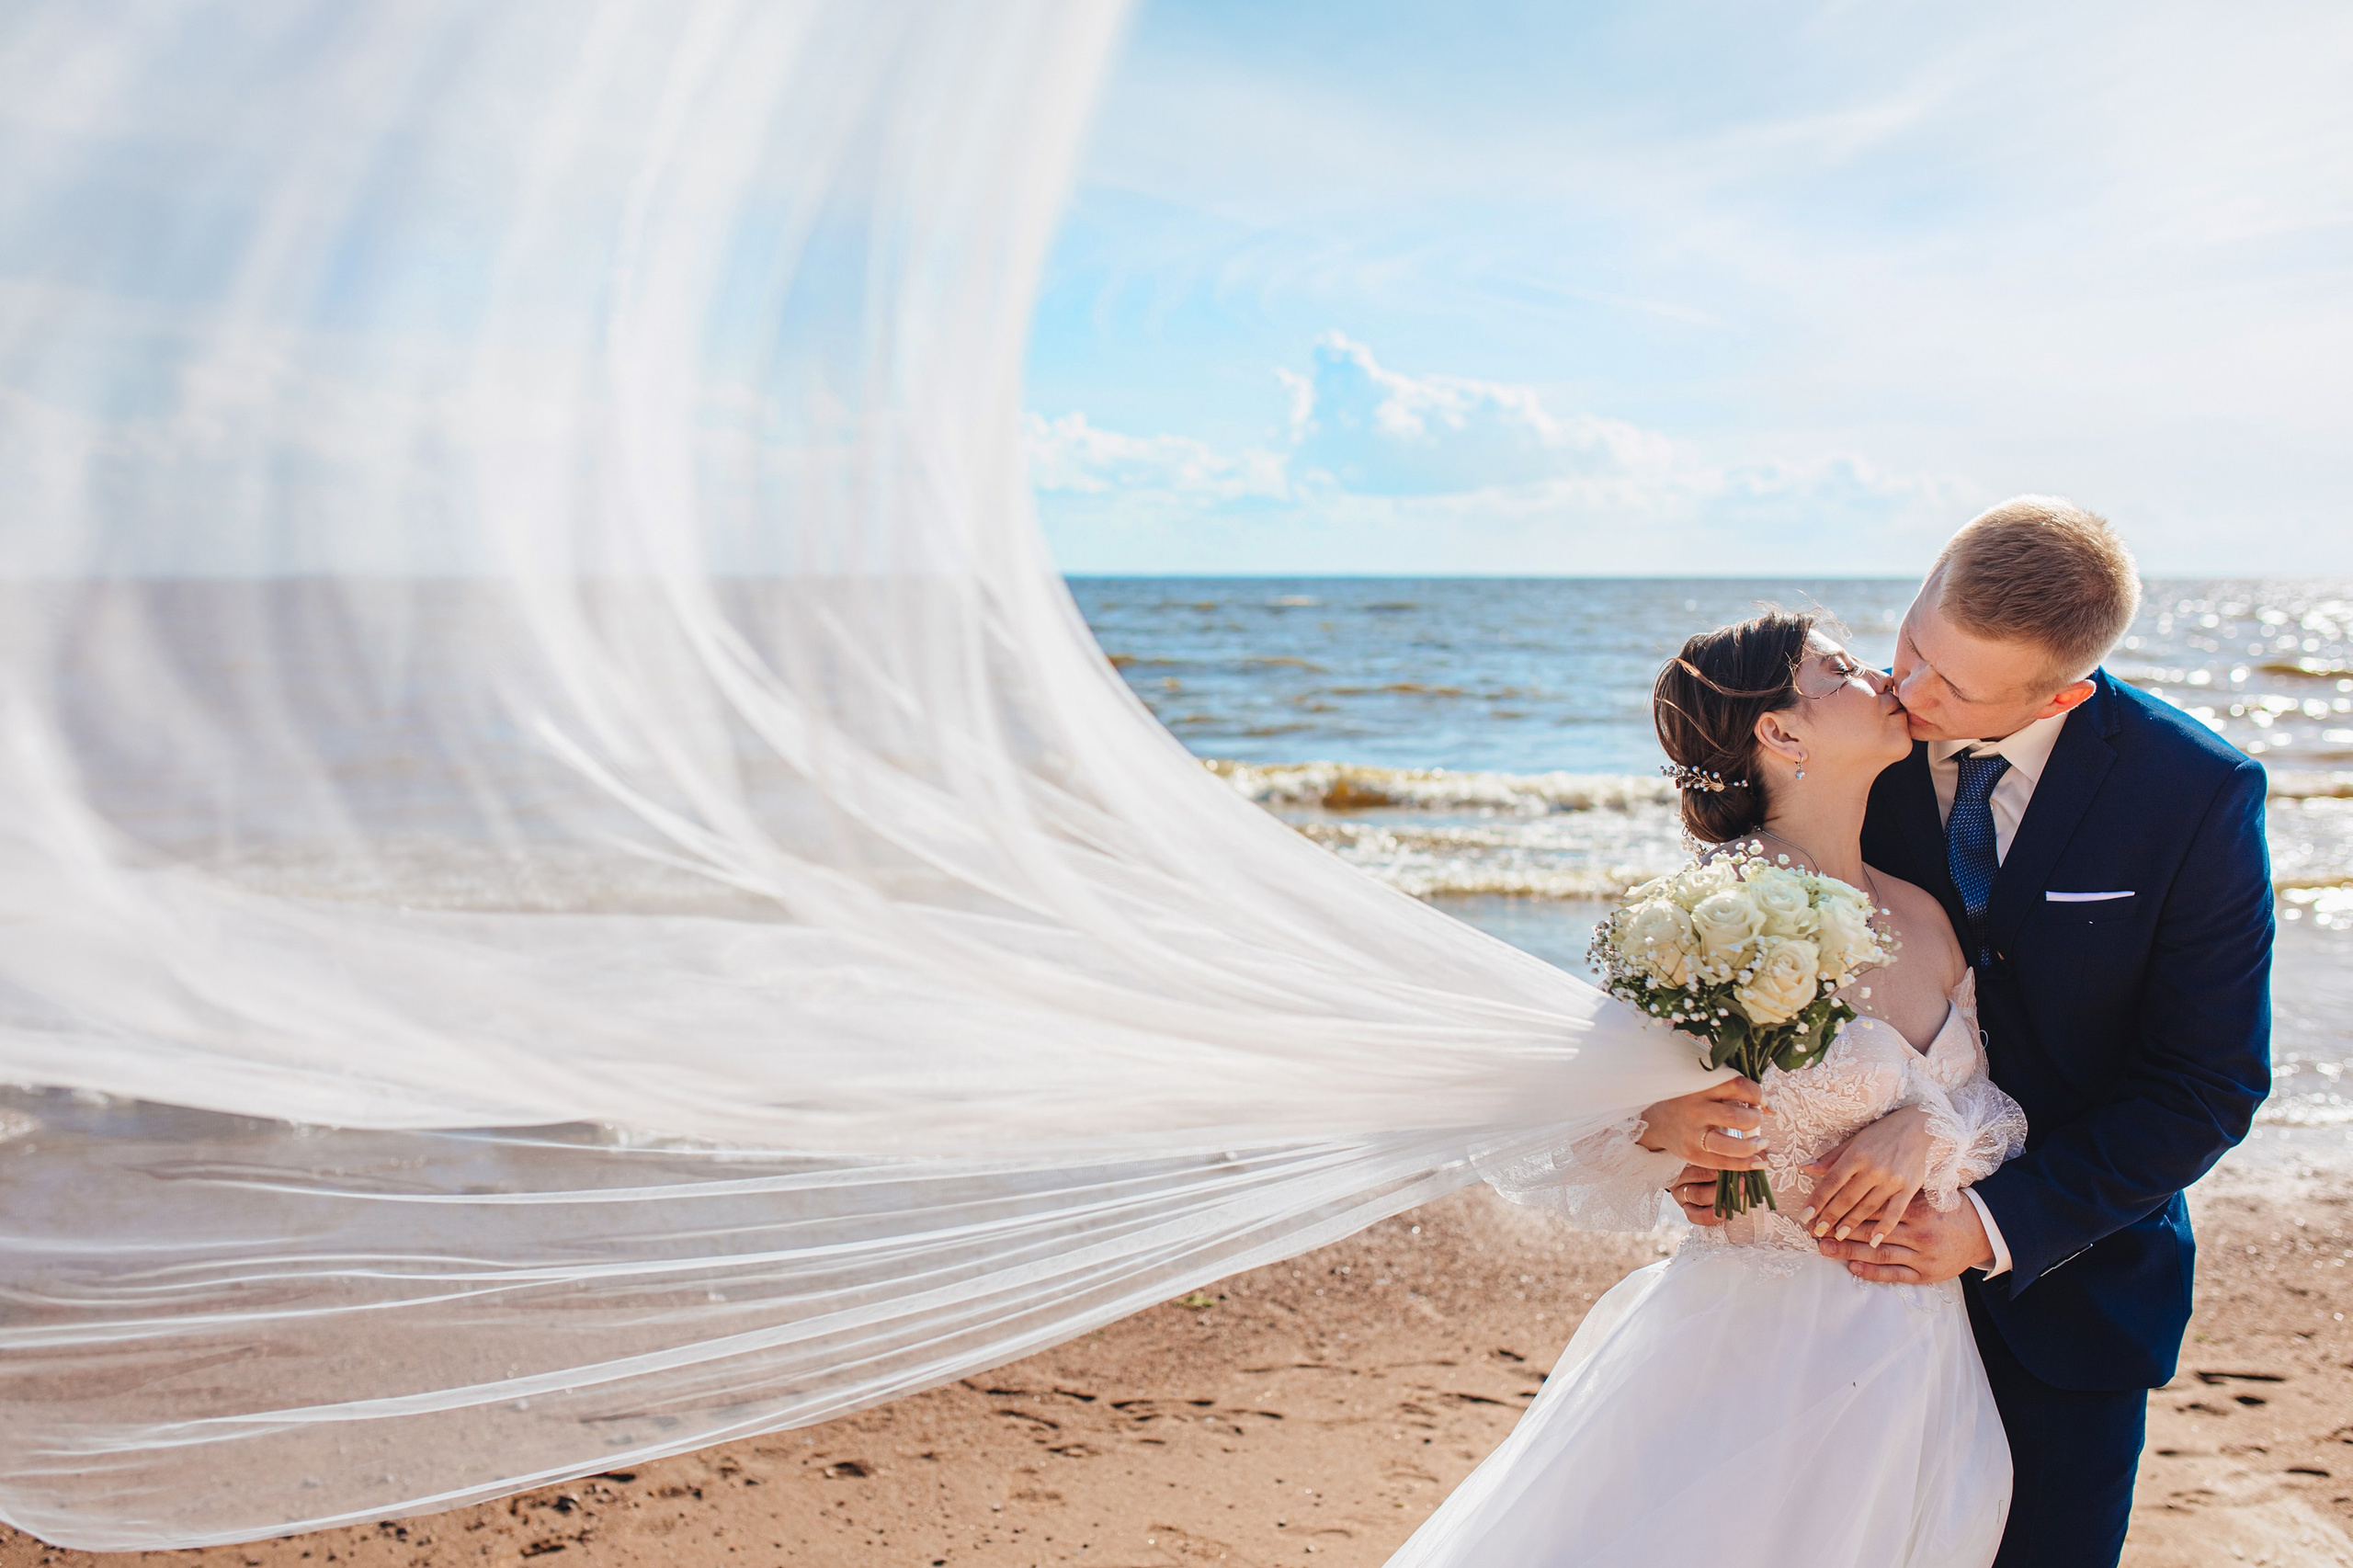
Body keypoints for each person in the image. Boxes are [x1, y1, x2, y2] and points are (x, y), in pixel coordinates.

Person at [1665, 498, 2273, 1568]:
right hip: (1825, 1315)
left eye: (1954, 686)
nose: (1910, 690)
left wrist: (1989, 1217)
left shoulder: (2193, 793)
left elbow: (2206, 1082)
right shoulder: (1858, 743)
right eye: (1911, 644)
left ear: (2061, 693)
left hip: (2066, 1288)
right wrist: (1699, 1128)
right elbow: (1726, 972)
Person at [1392, 608, 2027, 1568]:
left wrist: (1925, 1131)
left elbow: (1991, 1112)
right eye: (1841, 670)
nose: (1881, 679)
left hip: (1920, 1361)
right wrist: (1661, 1124)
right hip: (1756, 1357)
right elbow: (1558, 1124)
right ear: (1780, 731)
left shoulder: (1924, 913)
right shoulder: (1707, 917)